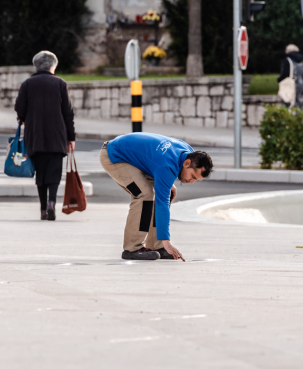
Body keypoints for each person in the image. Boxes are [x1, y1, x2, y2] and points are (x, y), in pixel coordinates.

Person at [100, 132, 212, 261]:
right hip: (114, 156)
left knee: (167, 192)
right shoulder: (166, 165)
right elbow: (161, 203)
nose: (191, 182)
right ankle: (133, 248)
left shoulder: (188, 152)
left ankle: (155, 246)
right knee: (144, 194)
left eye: (196, 180)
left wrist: (167, 184)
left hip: (133, 158)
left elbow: (159, 163)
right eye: (192, 176)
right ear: (187, 163)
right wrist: (167, 242)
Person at [14, 50, 76, 221]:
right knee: (54, 172)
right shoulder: (60, 84)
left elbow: (19, 107)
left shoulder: (27, 84)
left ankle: (42, 208)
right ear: (52, 66)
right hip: (57, 135)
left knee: (40, 172)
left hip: (35, 134)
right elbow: (68, 113)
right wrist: (71, 138)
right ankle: (51, 203)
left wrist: (25, 119)